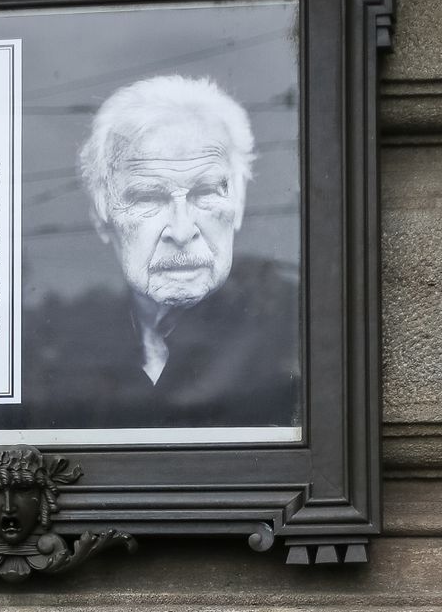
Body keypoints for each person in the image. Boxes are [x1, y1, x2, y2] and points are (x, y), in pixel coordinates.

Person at [55, 70, 301, 431]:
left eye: (205, 193)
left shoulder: (298, 329)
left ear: (240, 203)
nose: (182, 231)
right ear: (101, 216)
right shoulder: (64, 345)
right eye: (148, 197)